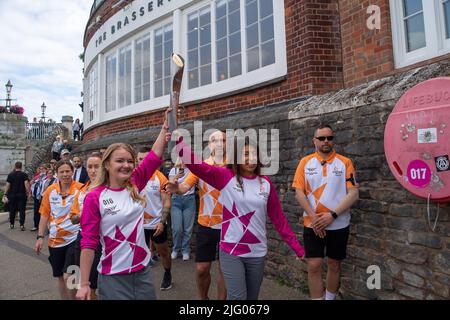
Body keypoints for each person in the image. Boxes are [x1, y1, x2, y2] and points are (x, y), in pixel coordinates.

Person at [174, 134, 305, 300]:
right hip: (231, 250)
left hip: (257, 252)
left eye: (254, 154)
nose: (251, 159)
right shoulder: (225, 177)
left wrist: (299, 250)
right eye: (245, 154)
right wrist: (179, 142)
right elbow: (198, 166)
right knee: (237, 298)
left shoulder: (265, 184)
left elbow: (280, 221)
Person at [75, 108, 171, 300]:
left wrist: (165, 126)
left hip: (142, 271)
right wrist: (84, 283)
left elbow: (154, 156)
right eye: (119, 161)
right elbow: (88, 242)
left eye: (129, 161)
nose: (126, 165)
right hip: (113, 277)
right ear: (107, 165)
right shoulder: (94, 197)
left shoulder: (135, 183)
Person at [292, 124, 359, 300]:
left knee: (334, 264)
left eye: (329, 138)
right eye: (322, 138)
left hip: (338, 223)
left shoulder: (345, 163)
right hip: (312, 224)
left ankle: (330, 298)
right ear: (314, 141)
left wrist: (332, 215)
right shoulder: (305, 162)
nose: (326, 141)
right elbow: (299, 193)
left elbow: (354, 194)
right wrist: (314, 218)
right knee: (314, 265)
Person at [166, 130, 227, 300]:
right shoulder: (201, 166)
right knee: (202, 269)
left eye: (223, 140)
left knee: (226, 269)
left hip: (230, 226)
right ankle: (203, 299)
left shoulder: (233, 166)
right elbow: (184, 188)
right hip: (206, 225)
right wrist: (176, 188)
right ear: (209, 145)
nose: (219, 143)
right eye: (214, 140)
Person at [35, 160, 83, 300]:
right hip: (55, 240)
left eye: (67, 171)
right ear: (57, 174)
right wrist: (40, 237)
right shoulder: (50, 191)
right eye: (61, 171)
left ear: (72, 172)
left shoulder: (80, 189)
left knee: (71, 273)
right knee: (60, 276)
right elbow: (44, 215)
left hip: (74, 238)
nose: (65, 174)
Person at [137, 147, 173, 291]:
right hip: (139, 225)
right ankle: (141, 279)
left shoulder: (160, 178)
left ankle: (168, 273)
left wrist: (162, 221)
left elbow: (167, 202)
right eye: (140, 159)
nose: (143, 162)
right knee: (139, 254)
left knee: (163, 251)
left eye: (146, 159)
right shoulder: (132, 177)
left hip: (156, 223)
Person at [69, 152, 103, 300]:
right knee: (81, 280)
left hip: (102, 239)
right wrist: (86, 214)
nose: (93, 170)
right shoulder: (82, 190)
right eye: (90, 167)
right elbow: (73, 218)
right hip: (82, 236)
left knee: (94, 284)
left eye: (97, 166)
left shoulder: (109, 188)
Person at [168, 158, 196, 261]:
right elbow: (169, 185)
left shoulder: (193, 170)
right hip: (176, 200)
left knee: (188, 228)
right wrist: (176, 176)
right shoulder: (173, 170)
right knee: (177, 228)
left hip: (189, 199)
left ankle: (185, 250)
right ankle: (175, 249)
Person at [5, 162, 31, 230]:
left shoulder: (10, 175)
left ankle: (11, 224)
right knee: (22, 210)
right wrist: (29, 192)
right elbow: (26, 184)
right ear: (21, 167)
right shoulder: (24, 174)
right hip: (21, 195)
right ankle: (21, 225)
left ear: (15, 166)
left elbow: (8, 185)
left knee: (12, 210)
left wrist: (5, 194)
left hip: (12, 195)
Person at [30, 165, 47, 231]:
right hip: (36, 196)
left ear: (46, 169)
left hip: (43, 196)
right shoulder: (37, 177)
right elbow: (31, 183)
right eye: (40, 169)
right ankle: (36, 225)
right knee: (36, 211)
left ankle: (43, 225)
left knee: (43, 212)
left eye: (43, 169)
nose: (41, 170)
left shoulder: (47, 176)